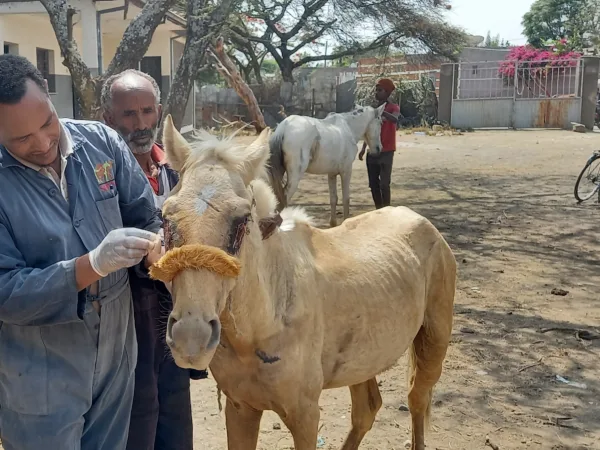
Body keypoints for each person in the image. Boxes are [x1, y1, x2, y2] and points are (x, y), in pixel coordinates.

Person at [0, 55, 162, 450]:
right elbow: (5, 291)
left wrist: (156, 248)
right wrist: (91, 265)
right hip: (39, 370)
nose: (42, 144)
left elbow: (145, 215)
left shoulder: (101, 143)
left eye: (47, 123)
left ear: (52, 99)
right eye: (21, 139)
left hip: (116, 350)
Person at [101, 69, 206, 450]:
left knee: (176, 409)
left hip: (172, 309)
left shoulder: (178, 170)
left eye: (147, 111)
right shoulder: (99, 176)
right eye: (128, 114)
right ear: (108, 118)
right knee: (138, 412)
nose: (140, 123)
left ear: (159, 111)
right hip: (126, 315)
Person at [358, 78, 401, 209]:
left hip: (387, 151)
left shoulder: (393, 108)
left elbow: (395, 119)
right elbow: (369, 132)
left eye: (380, 90)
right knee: (373, 184)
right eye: (376, 90)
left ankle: (387, 210)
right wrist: (364, 148)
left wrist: (382, 112)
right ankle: (379, 209)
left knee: (384, 184)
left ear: (387, 92)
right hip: (373, 150)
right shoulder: (373, 110)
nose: (377, 93)